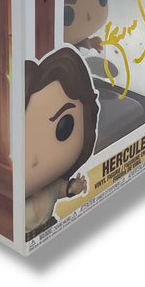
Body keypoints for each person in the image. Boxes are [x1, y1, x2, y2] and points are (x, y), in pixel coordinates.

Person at [25, 47, 99, 240]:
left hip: (51, 231)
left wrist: (72, 188)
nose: (36, 158)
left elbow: (60, 190)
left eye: (63, 128)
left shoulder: (51, 184)